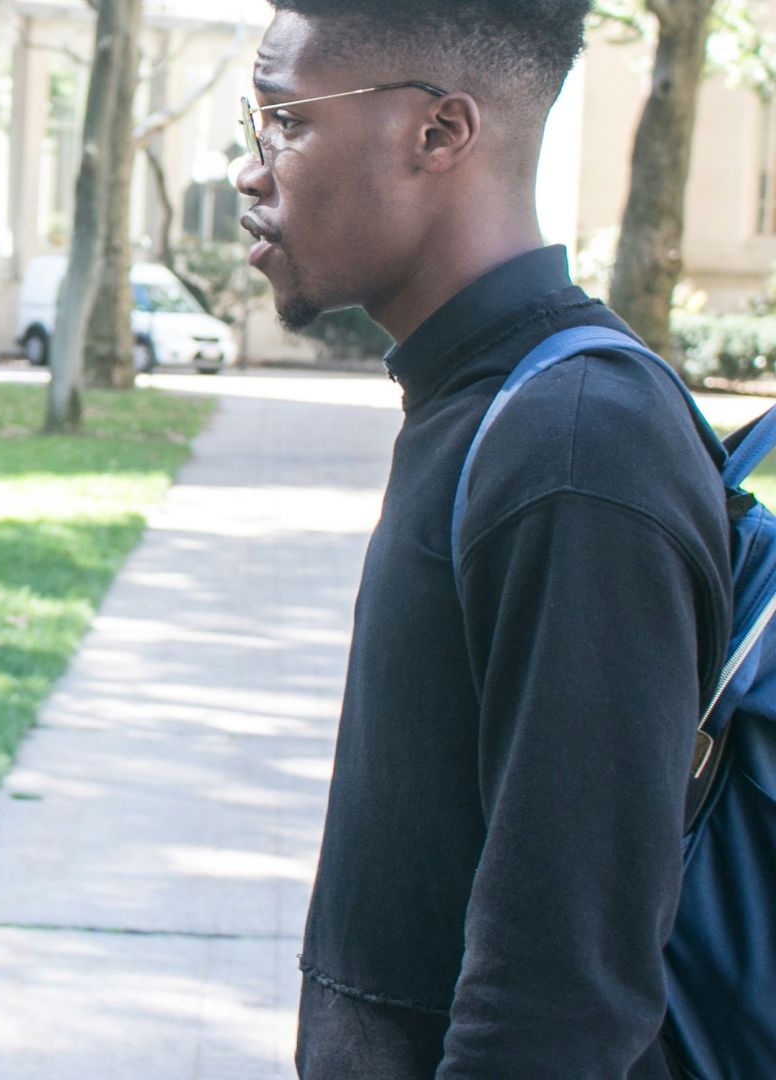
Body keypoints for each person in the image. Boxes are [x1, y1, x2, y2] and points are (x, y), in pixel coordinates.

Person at [234, 3, 728, 1077]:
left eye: (286, 121)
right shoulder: (480, 402)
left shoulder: (578, 449)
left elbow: (560, 1005)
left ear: (440, 133)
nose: (251, 171)